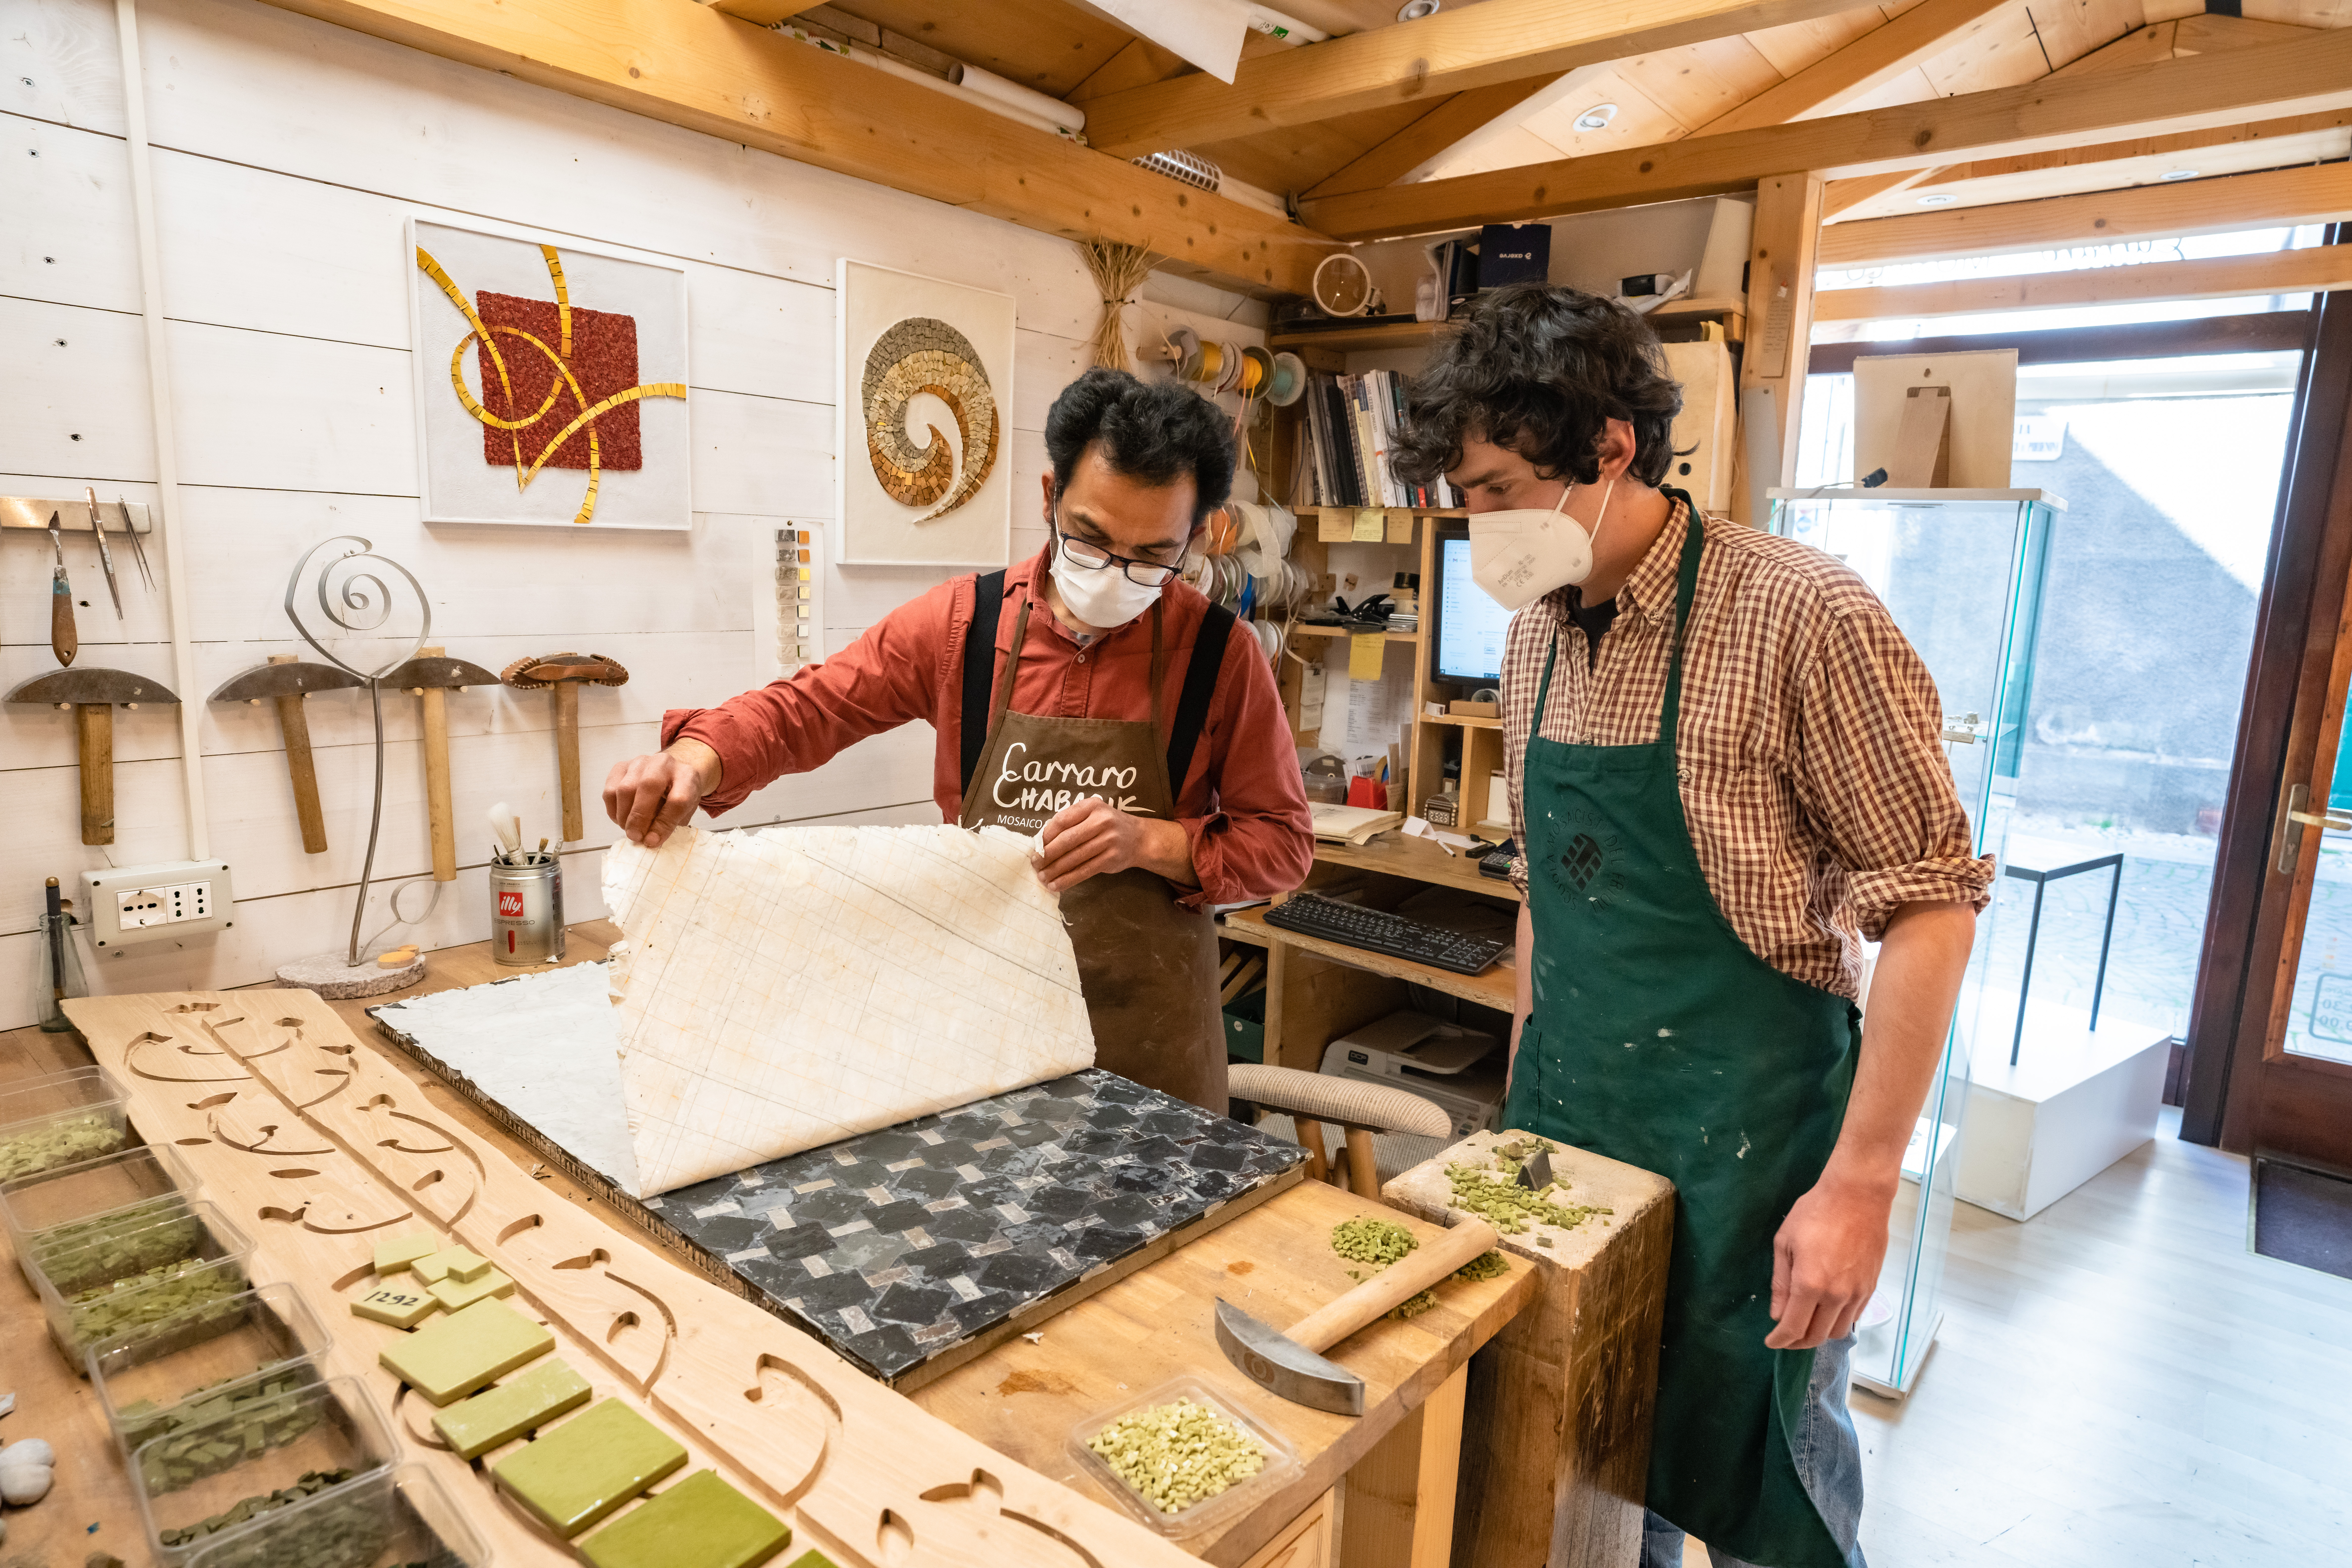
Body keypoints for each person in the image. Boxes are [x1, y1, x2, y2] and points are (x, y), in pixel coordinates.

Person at [1393, 284, 1990, 1568]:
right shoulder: (1533, 636)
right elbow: (1553, 892)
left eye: (1495, 489)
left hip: (1755, 1145)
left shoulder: (1803, 616)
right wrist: (1521, 1091)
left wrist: (1864, 1186)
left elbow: (1931, 905)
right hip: (1576, 1124)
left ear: (1609, 448)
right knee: (1596, 1458)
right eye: (1462, 495)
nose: (1474, 526)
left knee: (1766, 1461)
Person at [603, 367, 1314, 1112]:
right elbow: (804, 710)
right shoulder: (964, 626)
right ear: (1049, 498)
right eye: (1090, 539)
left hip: (1153, 1040)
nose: (1113, 575)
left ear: (1195, 537)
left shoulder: (1220, 656)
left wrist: (1148, 843)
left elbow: (1283, 844)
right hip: (985, 1022)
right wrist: (693, 761)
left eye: (1150, 557)